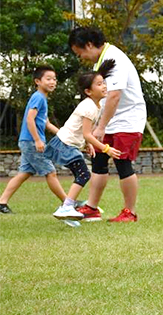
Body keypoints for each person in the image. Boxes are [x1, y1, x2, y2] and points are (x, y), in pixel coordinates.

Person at [68, 27, 146, 222]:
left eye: (81, 53)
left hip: (126, 121)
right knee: (99, 162)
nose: (82, 58)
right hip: (109, 120)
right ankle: (92, 208)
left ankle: (130, 212)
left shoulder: (114, 58)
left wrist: (100, 127)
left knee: (122, 163)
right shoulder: (102, 59)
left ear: (89, 45)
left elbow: (114, 96)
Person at [48, 60, 122, 220]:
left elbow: (85, 132)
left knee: (81, 175)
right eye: (99, 84)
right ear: (88, 91)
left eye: (104, 83)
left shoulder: (95, 105)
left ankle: (67, 211)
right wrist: (105, 148)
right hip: (65, 145)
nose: (104, 86)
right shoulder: (88, 107)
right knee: (83, 174)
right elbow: (88, 133)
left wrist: (88, 144)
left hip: (67, 144)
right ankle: (66, 207)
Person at [0, 66, 66, 214]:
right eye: (48, 79)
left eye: (54, 79)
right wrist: (37, 140)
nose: (52, 82)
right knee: (51, 172)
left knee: (24, 173)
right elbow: (30, 119)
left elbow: (47, 124)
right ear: (38, 81)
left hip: (28, 141)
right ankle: (68, 202)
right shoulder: (38, 97)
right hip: (31, 142)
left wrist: (65, 134)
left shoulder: (42, 99)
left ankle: (2, 202)